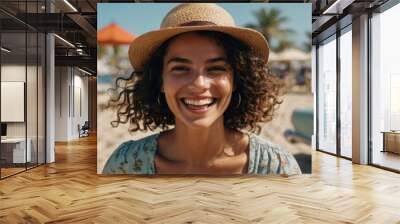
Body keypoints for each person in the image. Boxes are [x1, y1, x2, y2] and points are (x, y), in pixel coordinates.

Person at [102, 3, 301, 175]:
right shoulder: (123, 165)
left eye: (215, 69)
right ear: (159, 80)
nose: (199, 84)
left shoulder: (278, 167)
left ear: (237, 80)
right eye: (180, 68)